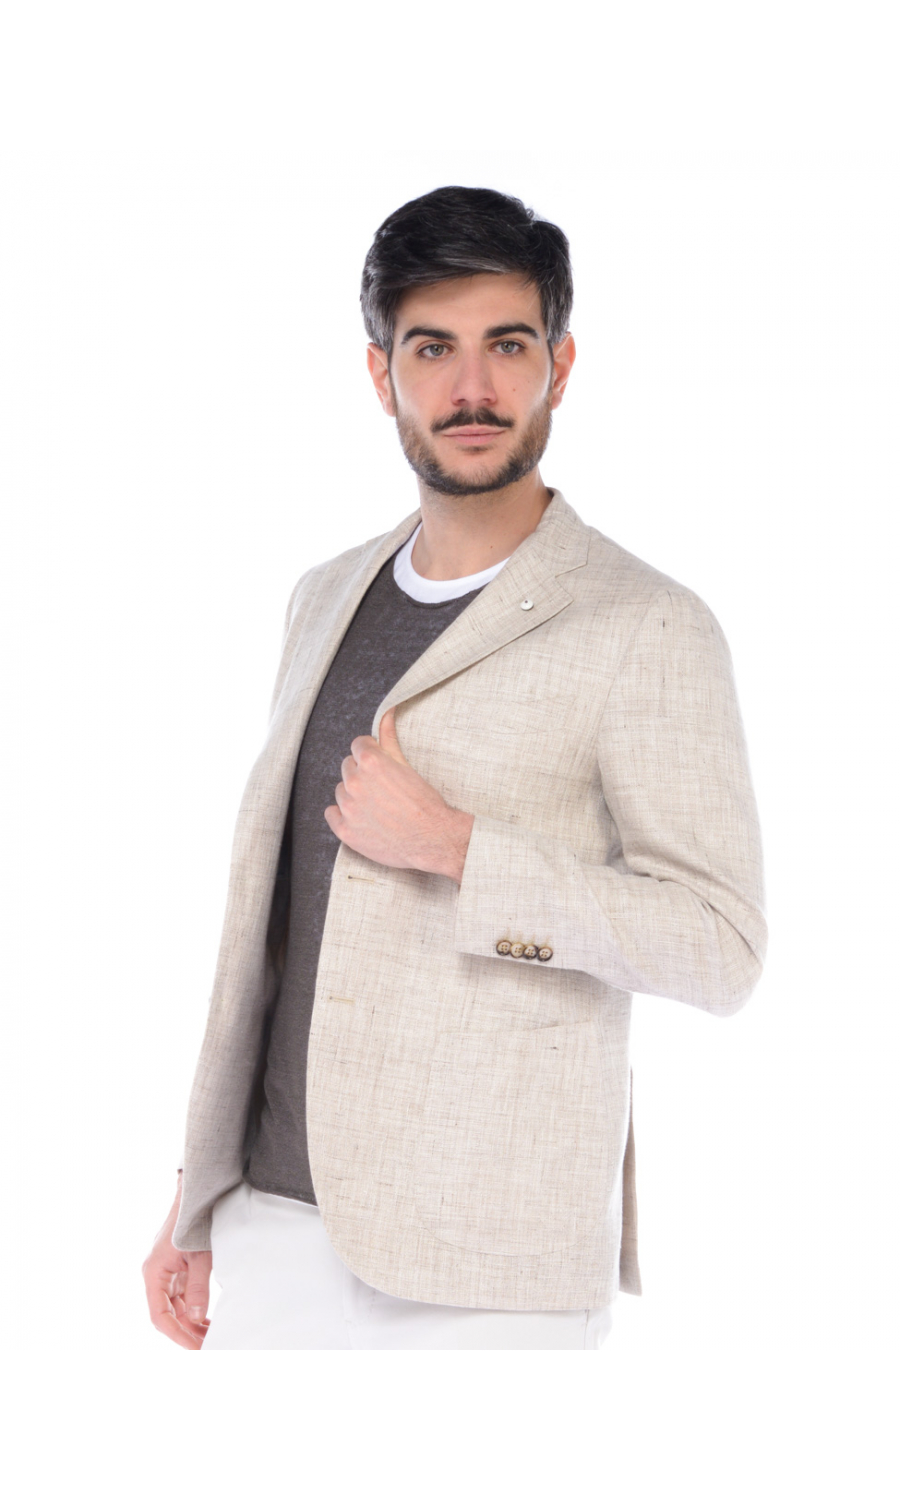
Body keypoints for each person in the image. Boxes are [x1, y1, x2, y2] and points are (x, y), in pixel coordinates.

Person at [142, 185, 767, 1350]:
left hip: (489, 1265)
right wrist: (199, 1183)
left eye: (507, 345)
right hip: (274, 1227)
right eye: (432, 349)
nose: (471, 387)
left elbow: (722, 947)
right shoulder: (321, 597)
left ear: (559, 366)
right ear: (381, 375)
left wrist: (463, 852)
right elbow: (281, 925)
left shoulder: (647, 625)